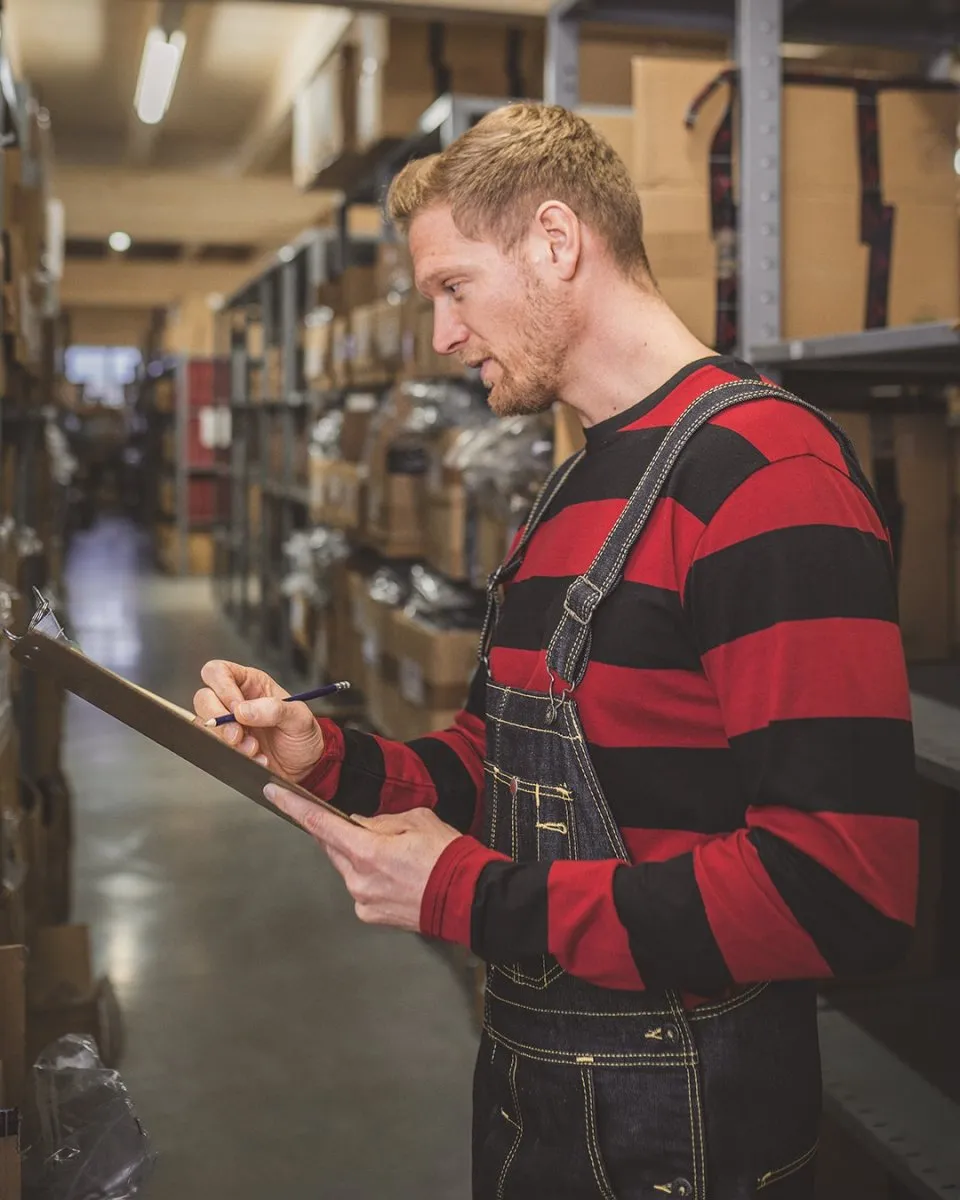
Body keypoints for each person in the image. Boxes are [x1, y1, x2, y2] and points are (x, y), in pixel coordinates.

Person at [194, 104, 918, 1199]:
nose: (439, 334)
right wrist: (326, 756)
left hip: (692, 1129)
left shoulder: (766, 477)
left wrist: (473, 899)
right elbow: (506, 763)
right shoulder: (576, 482)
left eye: (451, 287)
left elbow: (841, 889)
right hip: (543, 1099)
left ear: (555, 242)